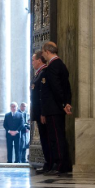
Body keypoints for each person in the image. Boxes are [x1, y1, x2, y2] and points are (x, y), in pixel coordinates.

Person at [41, 41, 72, 175]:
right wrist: (67, 102)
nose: (43, 55)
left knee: (56, 137)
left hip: (54, 109)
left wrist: (63, 104)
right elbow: (67, 88)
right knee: (59, 136)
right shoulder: (61, 64)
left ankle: (60, 164)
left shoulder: (53, 66)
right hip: (58, 107)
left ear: (47, 52)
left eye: (43, 53)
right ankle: (61, 164)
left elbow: (56, 88)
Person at [30, 50, 51, 173]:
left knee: (46, 138)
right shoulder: (38, 74)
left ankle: (49, 163)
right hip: (38, 112)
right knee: (43, 138)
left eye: (33, 60)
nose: (32, 62)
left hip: (42, 112)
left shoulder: (44, 73)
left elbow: (43, 95)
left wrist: (43, 112)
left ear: (39, 60)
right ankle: (47, 163)